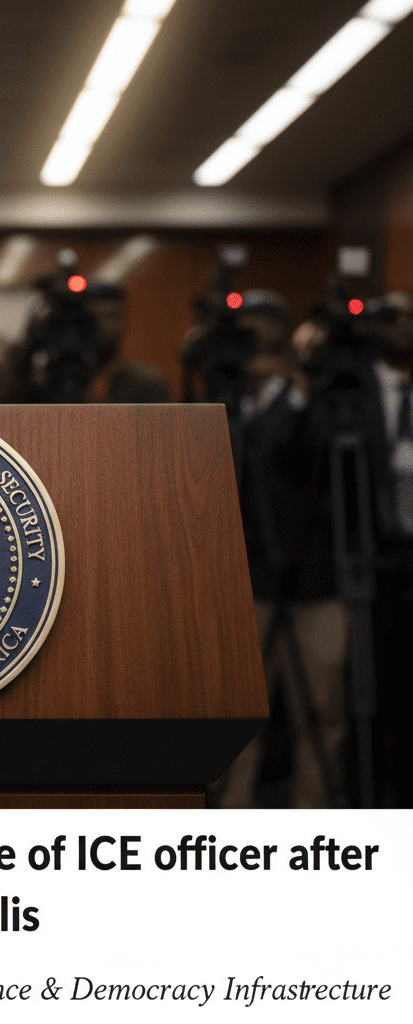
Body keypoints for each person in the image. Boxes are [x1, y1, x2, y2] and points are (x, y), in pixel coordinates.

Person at [213, 289, 348, 808]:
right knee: (239, 716)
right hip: (244, 583)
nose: (254, 342)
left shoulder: (313, 399)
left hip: (315, 582)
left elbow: (315, 457)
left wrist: (300, 385)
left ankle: (313, 821)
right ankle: (232, 817)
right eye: (244, 331)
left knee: (322, 713)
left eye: (264, 329)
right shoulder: (222, 403)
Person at [367, 291, 413, 806]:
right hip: (371, 564)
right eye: (393, 316)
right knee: (374, 695)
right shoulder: (352, 393)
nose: (404, 326)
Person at [83, 282, 172, 403]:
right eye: (94, 317)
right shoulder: (63, 381)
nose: (102, 326)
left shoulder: (147, 384)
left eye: (111, 316)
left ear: (123, 320)